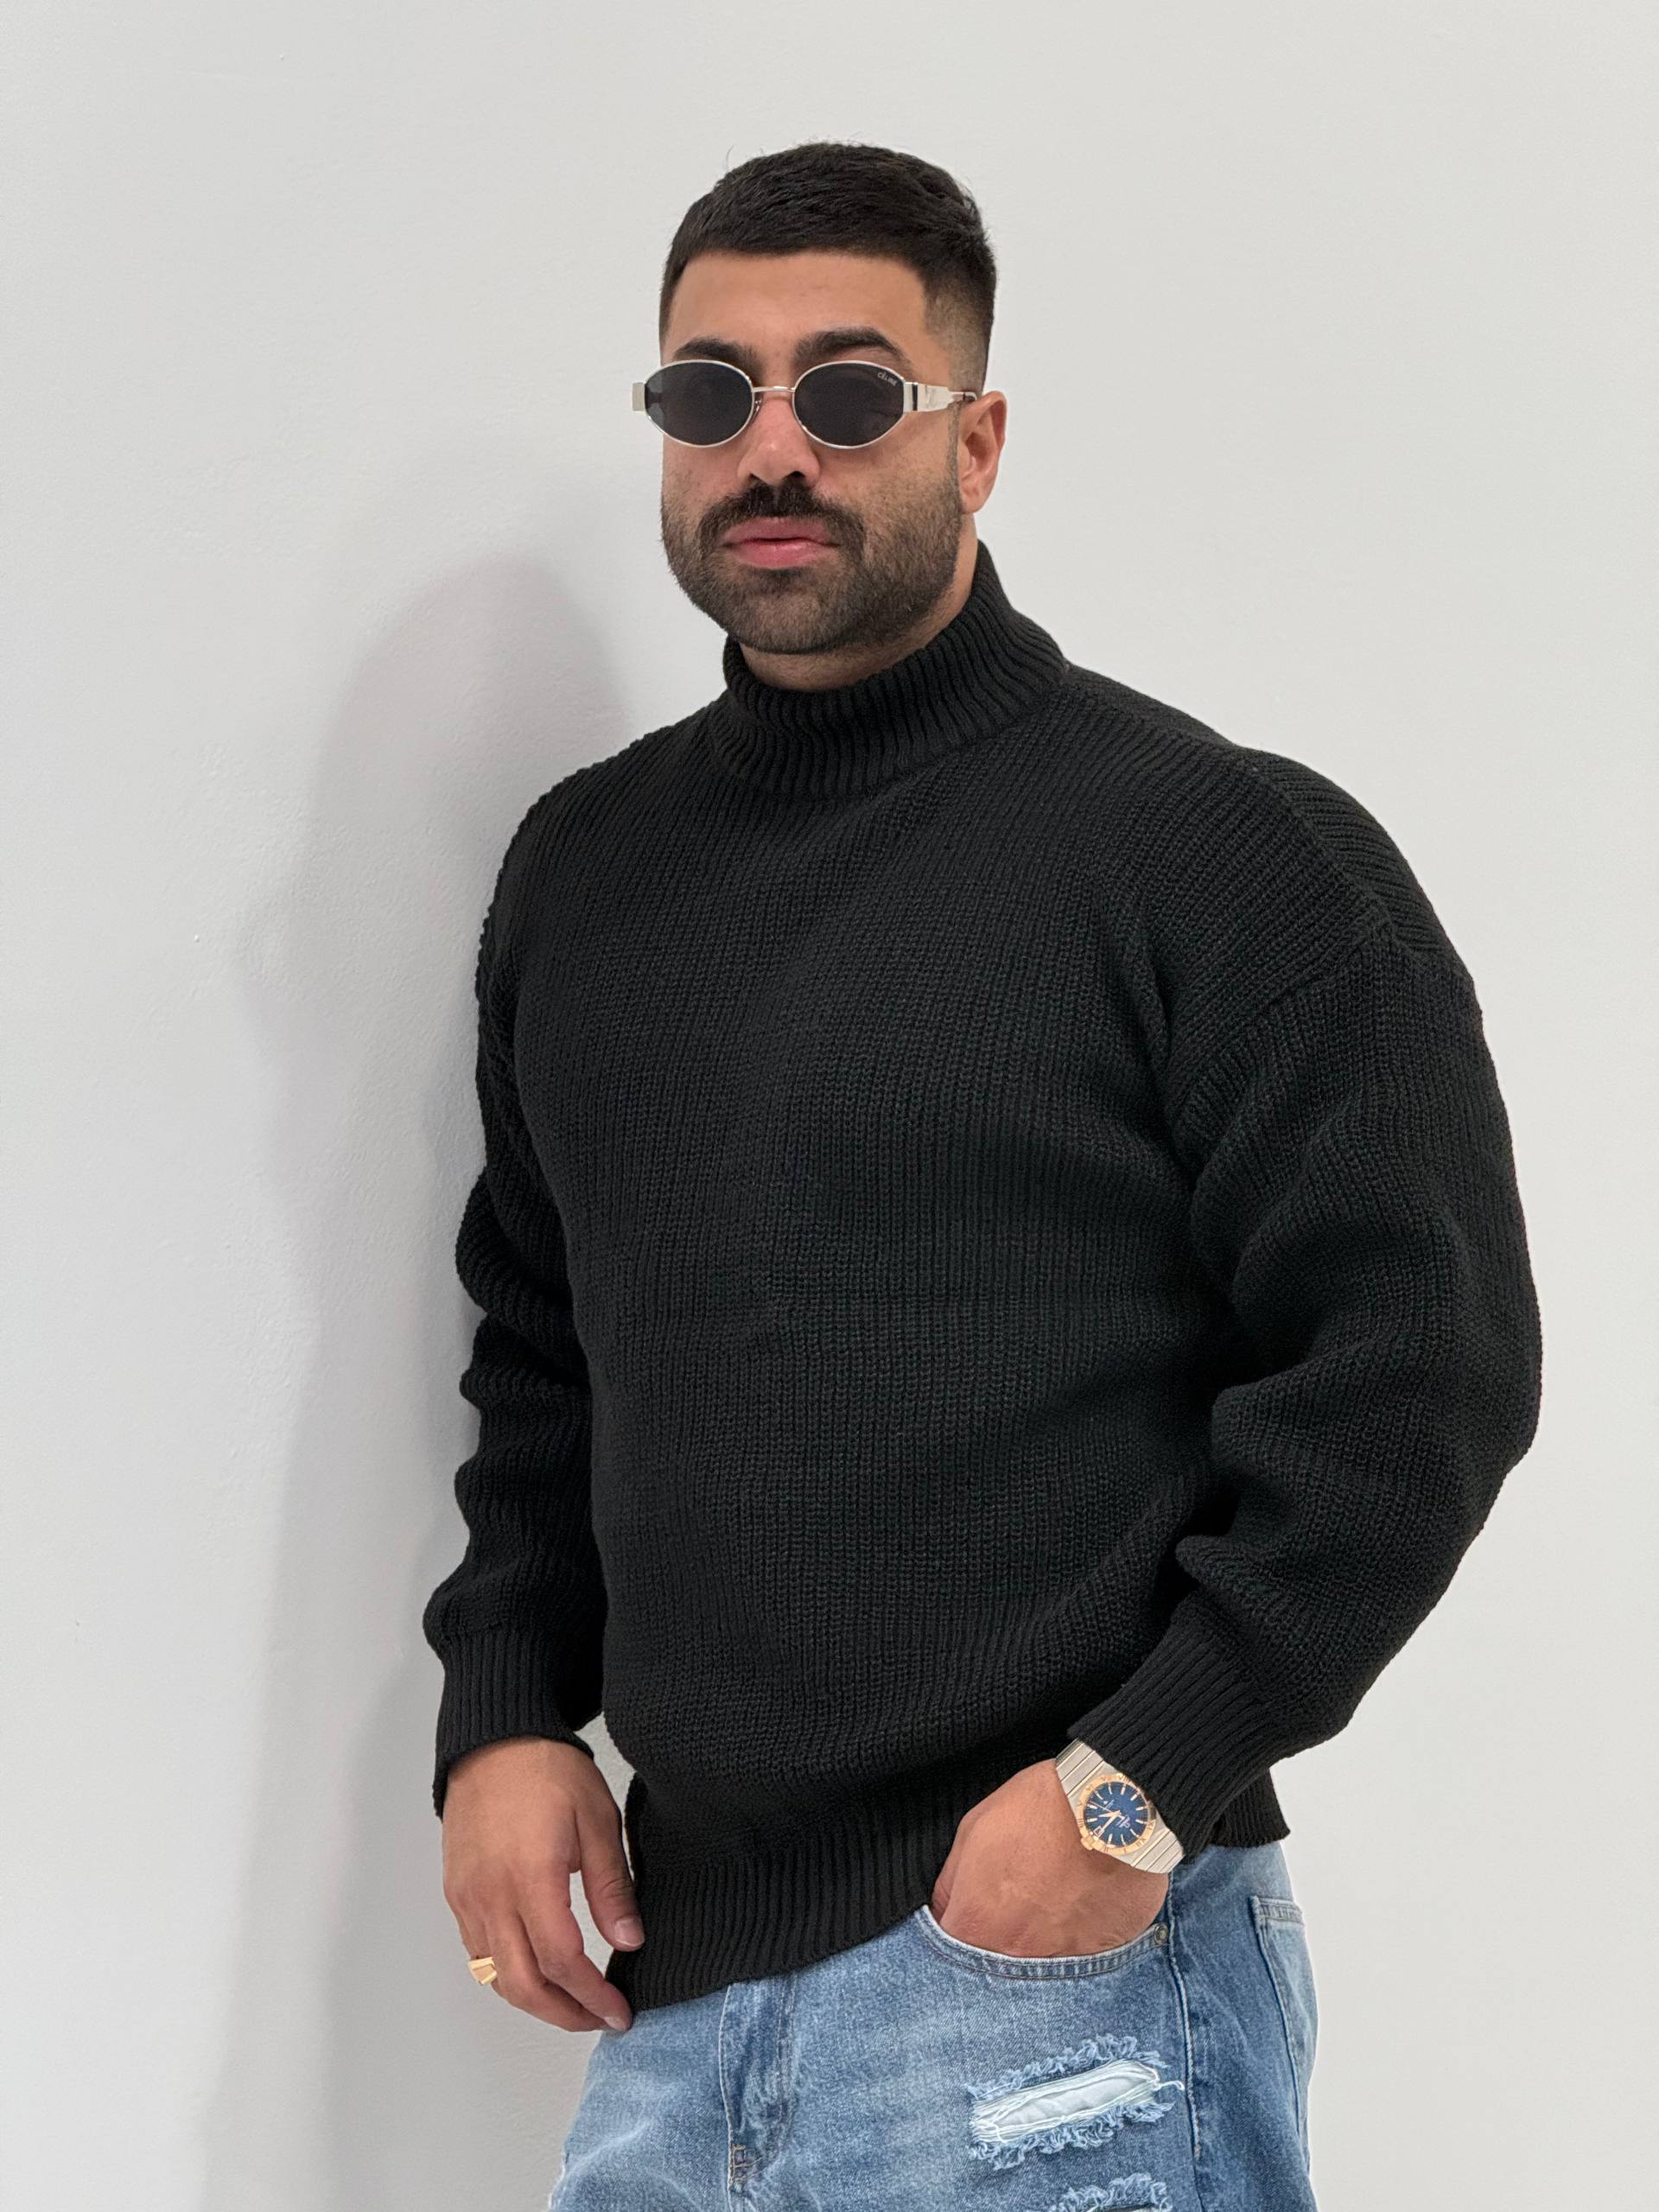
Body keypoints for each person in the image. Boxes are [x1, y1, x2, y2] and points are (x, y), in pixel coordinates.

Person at [421, 140, 1542, 2210]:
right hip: (672, 2003)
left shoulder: (1219, 852)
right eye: (710, 393)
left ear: (980, 439)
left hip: (1049, 1983)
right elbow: (545, 1338)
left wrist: (1130, 1790)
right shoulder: (585, 871)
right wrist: (504, 1710)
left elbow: (1422, 1370)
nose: (774, 449)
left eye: (852, 391)